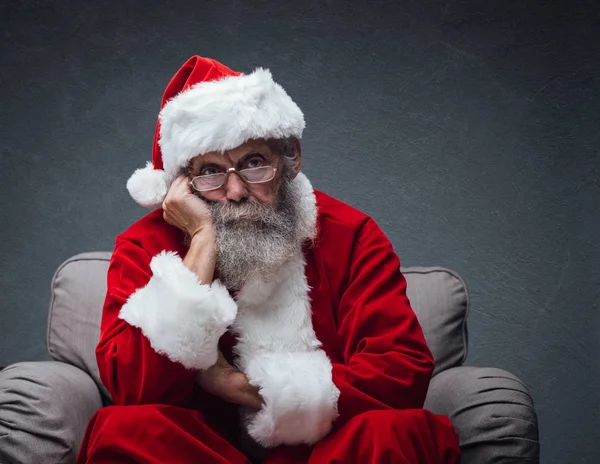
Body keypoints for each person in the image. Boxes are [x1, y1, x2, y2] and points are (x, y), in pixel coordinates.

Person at [76, 55, 461, 464]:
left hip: (329, 454)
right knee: (125, 429)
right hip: (208, 452)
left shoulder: (349, 234)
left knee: (394, 432)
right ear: (181, 183)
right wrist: (202, 242)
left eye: (254, 163)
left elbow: (400, 371)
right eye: (210, 171)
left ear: (289, 158)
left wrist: (237, 385)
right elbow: (133, 389)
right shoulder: (145, 244)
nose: (237, 190)